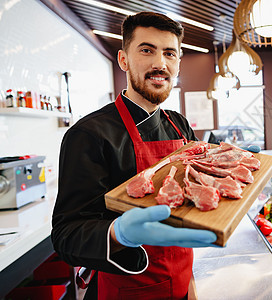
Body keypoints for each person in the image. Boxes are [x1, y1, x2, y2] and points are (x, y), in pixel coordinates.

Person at [51, 12, 218, 300]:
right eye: (146, 50)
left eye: (170, 53)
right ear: (124, 59)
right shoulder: (89, 134)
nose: (160, 63)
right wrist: (118, 234)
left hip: (181, 281)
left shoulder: (179, 123)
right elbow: (66, 235)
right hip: (126, 289)